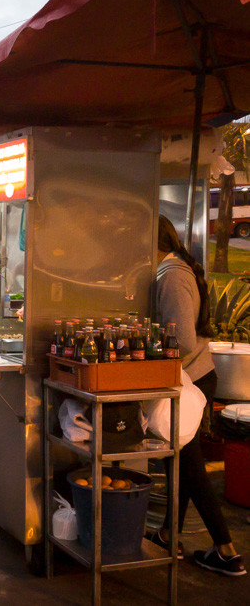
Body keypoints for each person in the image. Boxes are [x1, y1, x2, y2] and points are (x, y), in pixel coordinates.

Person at [154, 215, 245, 577]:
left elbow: (185, 340)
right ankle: (168, 534)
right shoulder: (173, 269)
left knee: (188, 467)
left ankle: (227, 551)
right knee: (179, 463)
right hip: (191, 378)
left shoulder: (172, 275)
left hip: (189, 381)